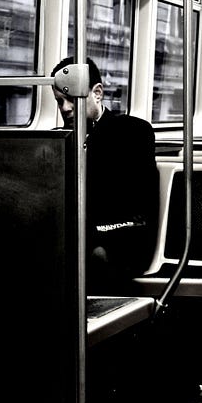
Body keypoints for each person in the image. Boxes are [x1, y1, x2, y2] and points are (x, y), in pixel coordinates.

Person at [51, 56, 159, 296]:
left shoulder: (133, 132)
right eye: (60, 102)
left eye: (71, 99)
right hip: (81, 234)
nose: (65, 108)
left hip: (124, 235)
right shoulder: (60, 141)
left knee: (94, 256)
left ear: (97, 93)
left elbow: (134, 203)